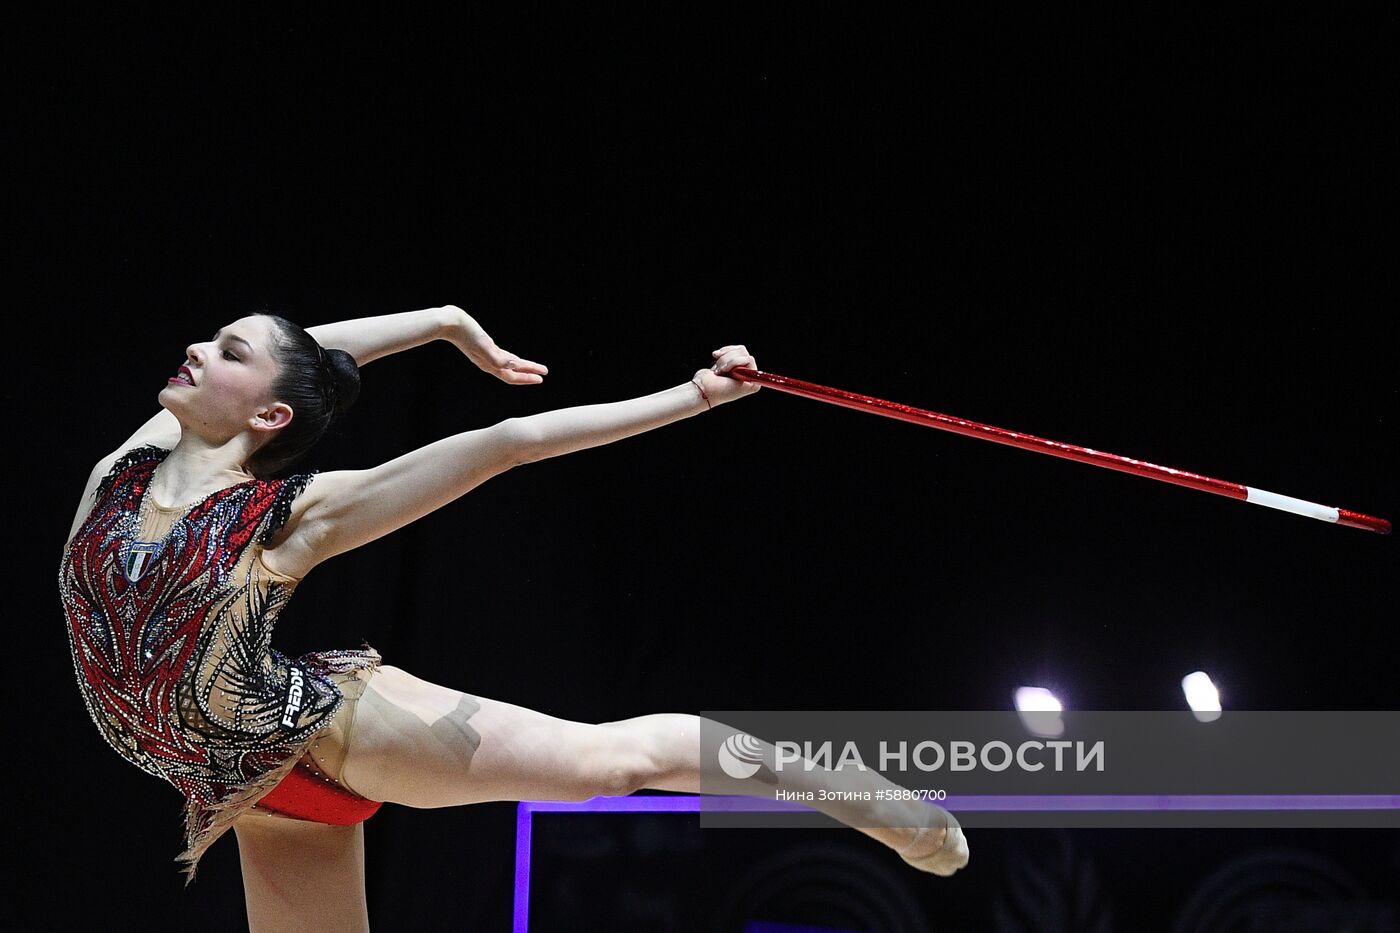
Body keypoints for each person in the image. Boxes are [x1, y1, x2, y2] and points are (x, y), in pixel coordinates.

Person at [59, 305, 968, 930]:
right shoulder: (125, 470)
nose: (197, 348)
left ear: (269, 412)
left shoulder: (289, 516)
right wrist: (440, 321)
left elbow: (509, 443)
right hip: (250, 793)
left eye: (227, 350)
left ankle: (860, 795)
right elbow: (311, 355)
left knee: (611, 764)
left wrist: (696, 395)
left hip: (326, 737)